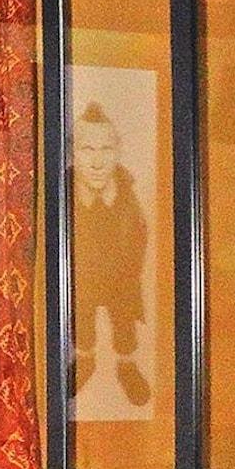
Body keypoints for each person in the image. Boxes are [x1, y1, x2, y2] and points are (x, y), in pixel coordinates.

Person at [71, 102, 150, 408]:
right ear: (73, 152)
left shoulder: (126, 192)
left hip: (120, 280)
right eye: (87, 149)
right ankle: (84, 360)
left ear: (117, 151)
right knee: (82, 323)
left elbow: (140, 233)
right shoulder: (66, 195)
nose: (97, 162)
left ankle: (127, 366)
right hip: (83, 280)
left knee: (124, 325)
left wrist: (130, 272)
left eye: (106, 149)